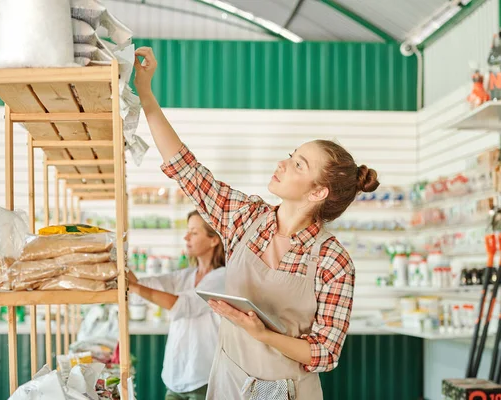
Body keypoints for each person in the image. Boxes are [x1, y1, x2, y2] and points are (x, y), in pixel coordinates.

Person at [132, 47, 381, 400]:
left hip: (288, 392)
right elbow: (186, 168)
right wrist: (146, 94)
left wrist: (262, 333)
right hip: (229, 384)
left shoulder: (333, 261)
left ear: (317, 193)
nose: (283, 163)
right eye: (291, 155)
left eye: (298, 165)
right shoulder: (246, 218)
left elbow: (325, 352)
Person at [128, 210, 226, 400]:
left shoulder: (222, 278)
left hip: (203, 381)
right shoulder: (185, 275)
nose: (186, 237)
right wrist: (119, 261)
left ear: (214, 240)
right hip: (174, 378)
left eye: (194, 232)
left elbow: (183, 305)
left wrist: (136, 288)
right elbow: (144, 288)